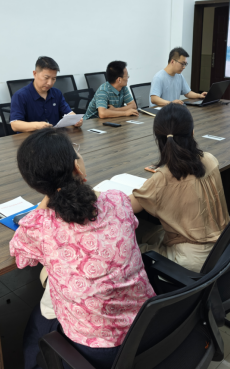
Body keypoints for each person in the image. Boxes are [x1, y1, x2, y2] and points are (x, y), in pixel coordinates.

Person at [9, 129, 155, 369]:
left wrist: (45, 200)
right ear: (77, 167)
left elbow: (21, 256)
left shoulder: (36, 225)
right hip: (149, 326)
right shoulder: (117, 201)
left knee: (37, 323)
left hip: (97, 352)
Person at [129, 103, 230, 273]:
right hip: (221, 250)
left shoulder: (163, 177)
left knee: (131, 251)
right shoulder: (210, 159)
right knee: (150, 233)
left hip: (189, 263)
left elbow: (126, 206)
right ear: (192, 133)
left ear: (158, 139)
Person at [10, 57, 83, 132]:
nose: (50, 83)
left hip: (54, 136)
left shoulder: (56, 93)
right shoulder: (20, 95)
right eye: (46, 78)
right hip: (31, 137)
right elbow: (15, 125)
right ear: (35, 74)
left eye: (53, 79)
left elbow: (68, 113)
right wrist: (37, 126)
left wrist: (76, 120)